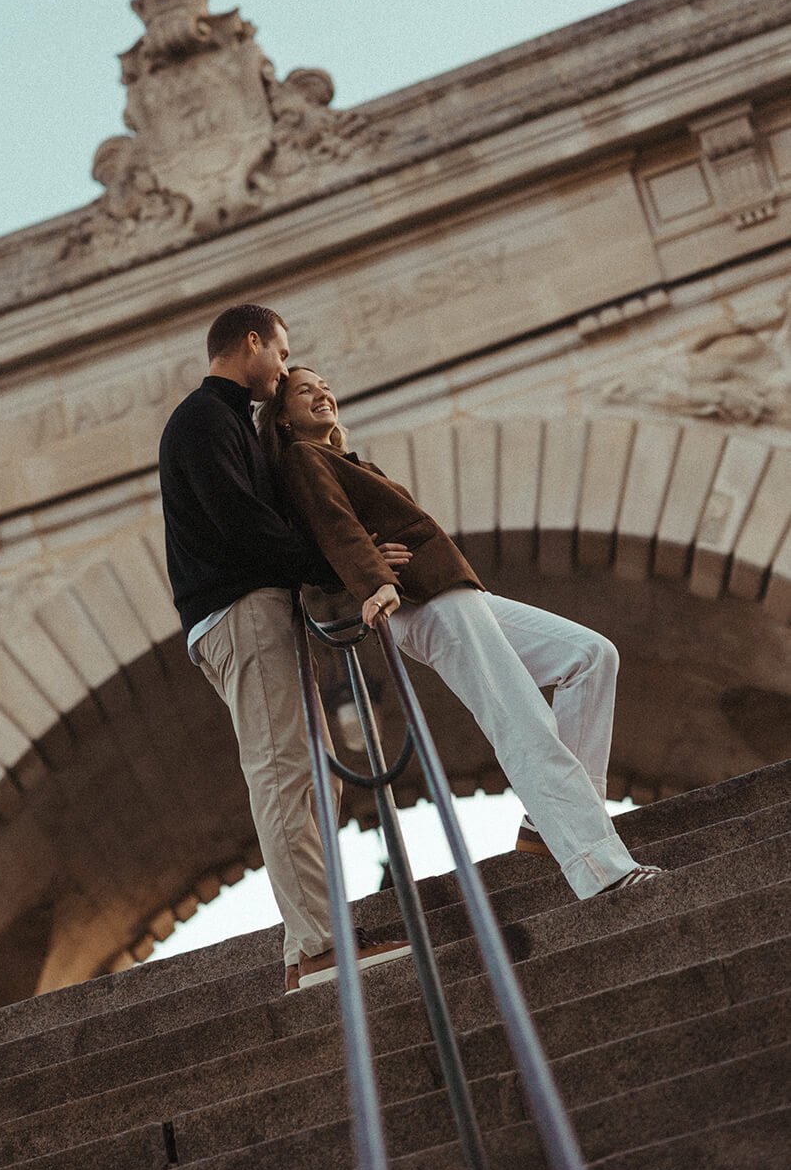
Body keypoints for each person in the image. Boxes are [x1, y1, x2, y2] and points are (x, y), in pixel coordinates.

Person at [258, 366, 663, 900]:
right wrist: (375, 582)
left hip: (458, 595)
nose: (322, 393)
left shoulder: (342, 460)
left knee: (590, 656)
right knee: (520, 717)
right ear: (283, 417)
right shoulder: (303, 459)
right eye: (303, 391)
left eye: (325, 385)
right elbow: (336, 526)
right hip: (427, 604)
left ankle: (549, 826)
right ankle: (599, 865)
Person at [158, 305, 412, 992]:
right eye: (282, 351)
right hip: (237, 611)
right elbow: (241, 525)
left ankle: (321, 935)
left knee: (314, 774)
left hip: (255, 612)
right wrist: (340, 569)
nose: (284, 365)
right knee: (282, 773)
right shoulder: (204, 420)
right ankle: (317, 947)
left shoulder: (225, 422)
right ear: (251, 343)